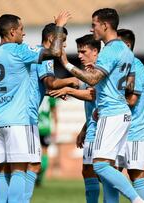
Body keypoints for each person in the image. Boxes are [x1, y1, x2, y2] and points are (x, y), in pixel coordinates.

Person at [0, 13, 70, 203]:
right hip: (19, 120)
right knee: (20, 171)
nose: (24, 34)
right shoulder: (20, 51)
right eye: (21, 30)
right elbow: (53, 53)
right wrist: (59, 26)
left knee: (2, 172)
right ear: (12, 32)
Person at [59, 8, 144, 203]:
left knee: (99, 166)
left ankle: (137, 200)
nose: (92, 29)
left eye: (94, 25)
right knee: (109, 170)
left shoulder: (110, 50)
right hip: (121, 113)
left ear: (105, 25)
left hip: (112, 113)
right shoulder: (126, 51)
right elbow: (129, 84)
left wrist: (66, 63)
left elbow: (92, 78)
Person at [50, 34, 101, 203]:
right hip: (93, 128)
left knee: (105, 171)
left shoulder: (99, 70)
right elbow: (72, 82)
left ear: (95, 52)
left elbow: (91, 95)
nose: (79, 55)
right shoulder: (87, 72)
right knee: (88, 170)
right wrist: (85, 129)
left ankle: (136, 198)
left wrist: (69, 90)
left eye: (83, 51)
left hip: (106, 129)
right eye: (78, 51)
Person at [31, 23, 79, 187]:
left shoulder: (32, 52)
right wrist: (70, 82)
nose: (64, 45)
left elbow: (37, 86)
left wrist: (50, 92)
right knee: (29, 163)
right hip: (34, 120)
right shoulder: (44, 56)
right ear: (52, 38)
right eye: (62, 40)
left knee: (22, 163)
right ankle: (37, 179)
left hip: (29, 117)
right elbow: (51, 83)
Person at [116, 29, 144, 202]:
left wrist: (110, 98)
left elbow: (132, 100)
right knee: (110, 171)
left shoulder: (136, 67)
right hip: (119, 129)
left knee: (135, 173)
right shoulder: (122, 67)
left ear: (127, 46)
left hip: (135, 130)